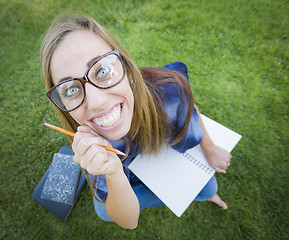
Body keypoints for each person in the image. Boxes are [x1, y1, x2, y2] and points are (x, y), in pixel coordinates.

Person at [40, 15, 231, 229]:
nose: (97, 103)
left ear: (128, 70)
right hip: (126, 173)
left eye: (102, 70)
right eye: (71, 89)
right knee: (104, 210)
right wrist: (112, 172)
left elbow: (190, 109)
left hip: (162, 154)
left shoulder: (169, 89)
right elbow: (128, 222)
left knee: (208, 190)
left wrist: (210, 147)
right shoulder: (92, 142)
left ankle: (199, 195)